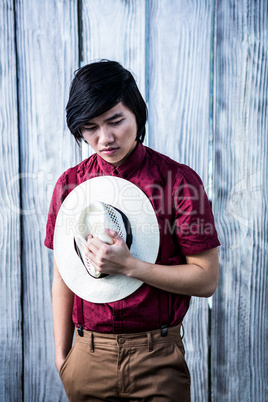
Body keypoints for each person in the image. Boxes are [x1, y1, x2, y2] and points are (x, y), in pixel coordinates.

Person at [45, 60, 220, 401]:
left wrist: (129, 266)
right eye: (90, 127)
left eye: (115, 121)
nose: (104, 138)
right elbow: (63, 276)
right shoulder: (70, 185)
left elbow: (206, 280)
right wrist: (62, 357)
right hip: (87, 356)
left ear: (137, 115)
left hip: (157, 358)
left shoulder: (179, 182)